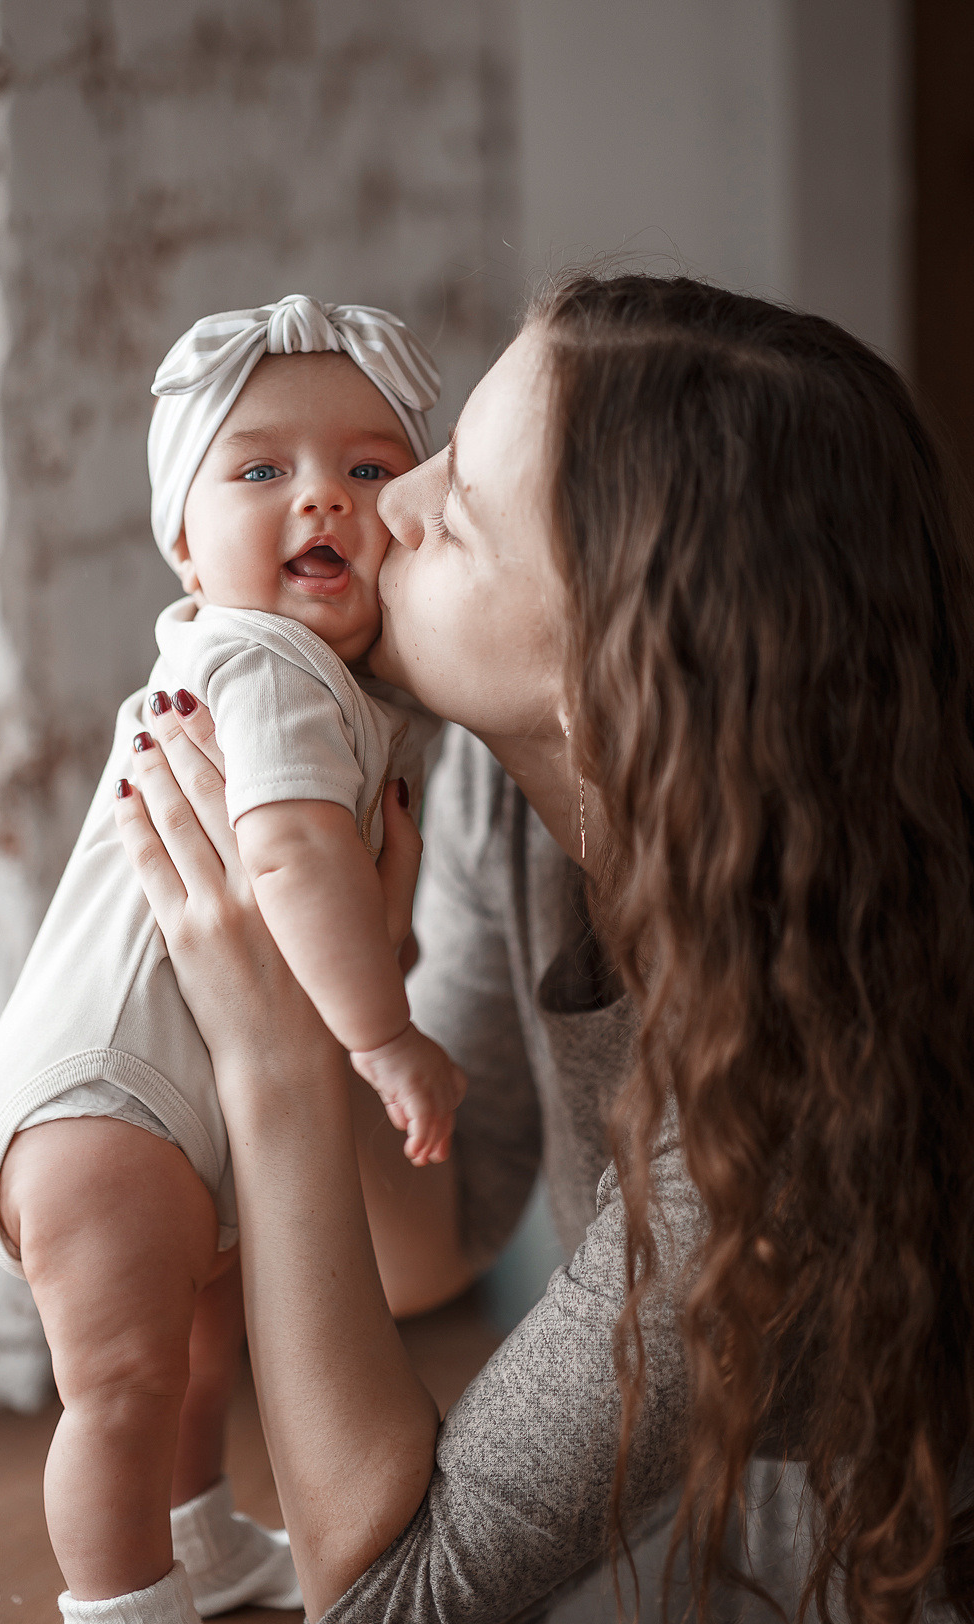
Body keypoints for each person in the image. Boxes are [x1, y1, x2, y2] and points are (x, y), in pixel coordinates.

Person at [112, 274, 974, 1624]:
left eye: (452, 515)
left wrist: (272, 1053)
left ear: (614, 678)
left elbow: (386, 1600)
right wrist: (349, 998)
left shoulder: (772, 1127)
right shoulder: (496, 800)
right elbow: (425, 1242)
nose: (387, 503)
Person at [0, 295, 466, 1621]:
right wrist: (383, 1036)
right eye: (262, 471)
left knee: (194, 1357)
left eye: (369, 468)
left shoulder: (303, 676)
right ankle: (118, 1598)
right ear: (185, 545)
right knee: (122, 1384)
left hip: (139, 1106)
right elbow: (292, 859)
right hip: (109, 1104)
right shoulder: (268, 662)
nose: (324, 501)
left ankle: (200, 1537)